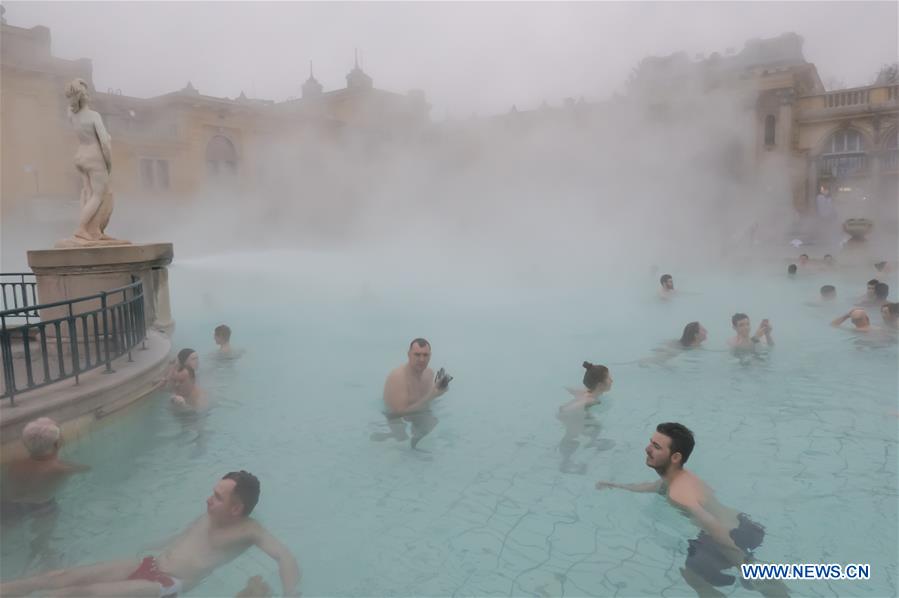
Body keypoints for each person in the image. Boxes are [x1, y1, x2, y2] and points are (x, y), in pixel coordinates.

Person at [0, 471, 301, 597]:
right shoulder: (211, 514)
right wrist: (155, 545)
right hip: (149, 563)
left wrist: (292, 595)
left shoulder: (249, 530)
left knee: (80, 594)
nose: (209, 499)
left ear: (237, 509)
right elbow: (184, 537)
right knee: (58, 577)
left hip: (166, 584)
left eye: (218, 497)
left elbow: (284, 556)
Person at [595, 423, 789, 597]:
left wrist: (741, 564)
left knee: (693, 576)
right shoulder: (676, 478)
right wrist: (616, 485)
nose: (647, 449)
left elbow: (714, 527)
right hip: (741, 523)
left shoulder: (680, 492)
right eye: (650, 442)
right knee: (755, 578)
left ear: (676, 457)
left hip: (729, 535)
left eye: (656, 447)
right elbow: (654, 486)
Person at [371, 338, 452, 449]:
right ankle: (388, 436)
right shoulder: (398, 378)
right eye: (417, 355)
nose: (421, 359)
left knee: (433, 423)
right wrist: (433, 395)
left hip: (417, 413)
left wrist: (439, 390)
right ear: (409, 355)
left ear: (430, 356)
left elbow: (426, 403)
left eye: (425, 355)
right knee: (402, 443)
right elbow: (397, 413)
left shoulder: (429, 374)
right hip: (395, 418)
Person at [1, 418, 90, 518]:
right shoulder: (62, 469)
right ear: (57, 444)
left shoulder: (14, 464)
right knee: (47, 526)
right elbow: (87, 469)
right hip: (42, 508)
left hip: (9, 507)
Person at [557, 362, 613, 473]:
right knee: (571, 439)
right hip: (574, 418)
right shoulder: (590, 399)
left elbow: (574, 392)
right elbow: (568, 408)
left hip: (581, 415)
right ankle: (565, 463)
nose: (612, 380)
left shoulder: (588, 392)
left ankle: (593, 441)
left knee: (597, 427)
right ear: (600, 385)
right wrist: (564, 415)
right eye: (608, 378)